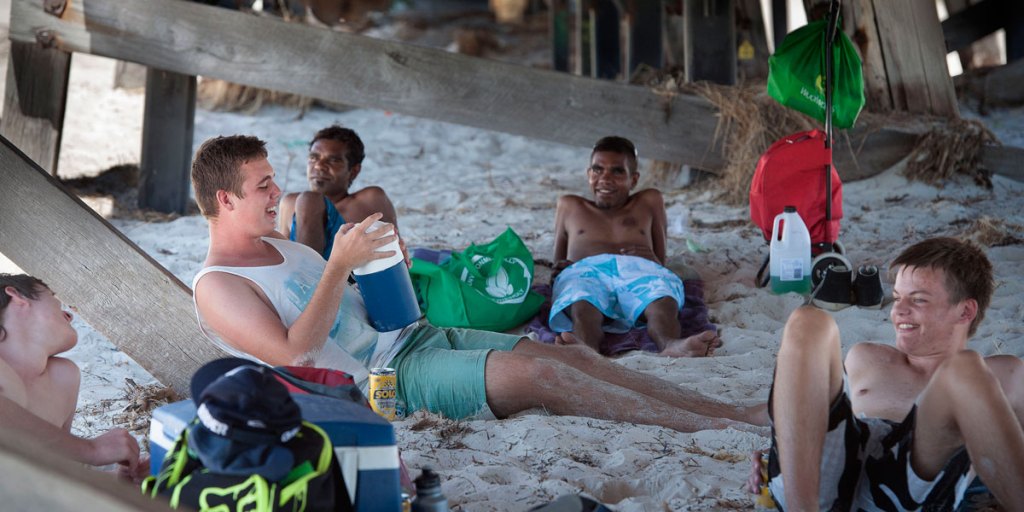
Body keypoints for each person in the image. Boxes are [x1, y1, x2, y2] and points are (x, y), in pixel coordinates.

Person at [190, 135, 768, 433]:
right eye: (263, 185)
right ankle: (710, 426)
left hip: (414, 338)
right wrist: (338, 265)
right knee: (544, 375)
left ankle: (735, 412)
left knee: (564, 357)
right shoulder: (218, 286)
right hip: (383, 385)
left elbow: (354, 307)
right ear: (225, 199)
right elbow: (295, 352)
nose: (277, 193)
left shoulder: (283, 247)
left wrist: (380, 267)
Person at [746, 237, 1024, 510]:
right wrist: (784, 448)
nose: (898, 311)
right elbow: (804, 400)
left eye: (918, 300)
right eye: (897, 298)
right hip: (829, 477)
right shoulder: (866, 357)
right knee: (808, 322)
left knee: (964, 368)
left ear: (965, 311)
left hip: (911, 484)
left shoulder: (1004, 375)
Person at [550, 136, 720, 358]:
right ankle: (586, 349)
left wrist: (651, 258)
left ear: (634, 179)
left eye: (617, 171)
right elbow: (557, 266)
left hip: (640, 270)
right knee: (582, 302)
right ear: (588, 174)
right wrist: (560, 269)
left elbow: (661, 261)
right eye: (597, 170)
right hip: (587, 271)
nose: (605, 178)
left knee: (661, 299)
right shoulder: (570, 205)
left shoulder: (648, 201)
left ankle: (670, 343)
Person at [0, 274, 148, 481]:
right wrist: (91, 449)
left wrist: (116, 482)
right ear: (17, 296)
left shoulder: (63, 378)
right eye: (54, 300)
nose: (69, 315)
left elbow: (55, 474)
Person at [278, 125, 398, 259]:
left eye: (333, 160)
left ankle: (313, 277)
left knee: (309, 200)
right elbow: (282, 258)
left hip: (347, 276)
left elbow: (395, 252)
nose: (318, 166)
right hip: (298, 273)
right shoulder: (290, 203)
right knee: (306, 200)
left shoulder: (368, 200)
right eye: (313, 158)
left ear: (354, 171)